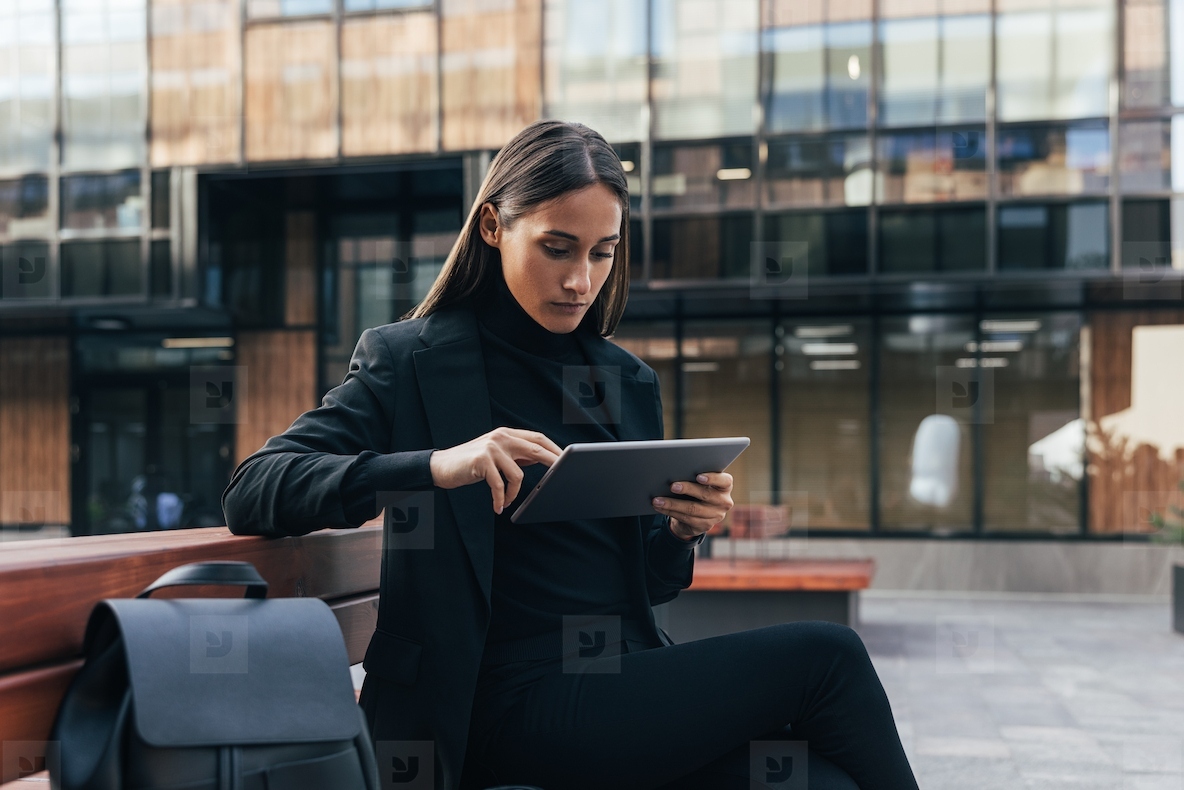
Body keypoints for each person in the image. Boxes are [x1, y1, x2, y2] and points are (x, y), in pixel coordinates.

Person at [222, 120, 919, 790]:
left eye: (602, 252)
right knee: (829, 656)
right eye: (558, 248)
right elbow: (255, 488)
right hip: (495, 707)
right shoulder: (412, 362)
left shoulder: (624, 381)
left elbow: (647, 586)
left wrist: (681, 530)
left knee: (821, 781)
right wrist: (436, 466)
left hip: (619, 697)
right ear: (494, 227)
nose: (581, 281)